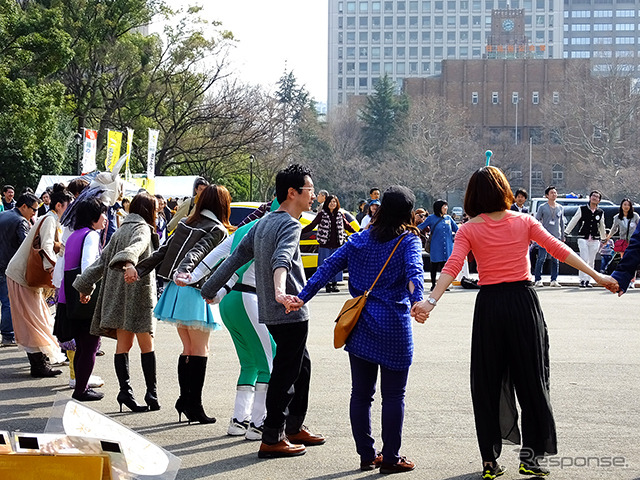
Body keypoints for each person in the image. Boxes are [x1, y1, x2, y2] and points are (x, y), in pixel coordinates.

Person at [411, 167, 616, 479]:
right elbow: (557, 249)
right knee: (532, 379)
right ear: (504, 190)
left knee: (487, 382)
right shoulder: (524, 221)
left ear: (472, 195)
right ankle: (531, 459)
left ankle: (490, 461)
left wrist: (431, 301)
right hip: (522, 304)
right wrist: (598, 275)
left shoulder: (469, 229)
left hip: (490, 307)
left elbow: (454, 265)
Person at [288, 185, 424, 474]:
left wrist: (301, 297)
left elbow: (325, 268)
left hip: (359, 323)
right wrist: (417, 301)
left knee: (361, 394)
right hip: (393, 324)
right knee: (394, 395)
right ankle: (390, 457)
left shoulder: (358, 240)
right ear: (408, 214)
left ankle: (366, 454)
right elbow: (414, 272)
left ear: (381, 209)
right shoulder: (407, 241)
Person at [199, 164, 325, 459]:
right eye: (309, 191)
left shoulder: (262, 223)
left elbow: (234, 259)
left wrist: (208, 288)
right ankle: (273, 437)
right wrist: (281, 292)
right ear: (292, 193)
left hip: (271, 310)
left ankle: (292, 426)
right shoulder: (291, 225)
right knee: (286, 373)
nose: (313, 197)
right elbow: (282, 259)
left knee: (300, 367)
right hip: (288, 310)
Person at [175, 204, 278, 439]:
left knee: (250, 364)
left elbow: (217, 255)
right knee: (269, 361)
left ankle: (239, 420)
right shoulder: (271, 229)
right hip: (248, 298)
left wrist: (194, 275)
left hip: (229, 300)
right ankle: (258, 423)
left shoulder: (244, 229)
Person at [133, 185, 232, 424]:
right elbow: (198, 252)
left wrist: (139, 269)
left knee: (188, 348)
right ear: (222, 205)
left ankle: (185, 400)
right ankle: (193, 405)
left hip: (175, 290)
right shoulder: (217, 229)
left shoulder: (186, 223)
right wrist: (186, 271)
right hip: (194, 289)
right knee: (200, 350)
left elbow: (163, 251)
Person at [73, 192, 160, 413]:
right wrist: (129, 260)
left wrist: (85, 284)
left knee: (124, 345)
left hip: (117, 295)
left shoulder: (120, 229)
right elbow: (138, 246)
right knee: (146, 344)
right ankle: (152, 392)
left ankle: (125, 392)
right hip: (138, 294)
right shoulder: (143, 229)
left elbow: (101, 262)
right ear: (149, 210)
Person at [6, 185, 73, 377]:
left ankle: (40, 362)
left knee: (37, 318)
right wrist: (54, 271)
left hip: (22, 275)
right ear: (59, 205)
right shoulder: (50, 219)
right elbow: (46, 247)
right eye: (68, 207)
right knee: (33, 320)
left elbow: (50, 245)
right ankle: (38, 365)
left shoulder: (49, 219)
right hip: (23, 276)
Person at [56, 198, 108, 401]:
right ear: (93, 217)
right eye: (102, 213)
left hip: (67, 294)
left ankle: (81, 386)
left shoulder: (74, 235)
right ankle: (81, 390)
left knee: (81, 345)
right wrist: (86, 289)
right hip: (83, 294)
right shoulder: (91, 235)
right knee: (90, 345)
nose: (105, 218)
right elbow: (88, 263)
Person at [0, 193, 39, 346]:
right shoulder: (21, 221)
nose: (34, 213)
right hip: (7, 266)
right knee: (8, 302)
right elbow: (26, 245)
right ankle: (8, 335)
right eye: (33, 210)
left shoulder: (3, 215)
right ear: (24, 206)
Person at [302, 195, 356, 293]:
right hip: (325, 244)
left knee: (337, 265)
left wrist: (357, 232)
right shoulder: (322, 214)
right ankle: (327, 284)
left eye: (334, 202)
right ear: (327, 203)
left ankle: (334, 284)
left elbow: (347, 225)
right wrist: (301, 231)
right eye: (330, 202)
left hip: (337, 244)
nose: (332, 204)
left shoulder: (340, 214)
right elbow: (312, 225)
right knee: (325, 265)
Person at [565, 190, 606, 288]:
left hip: (595, 239)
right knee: (584, 259)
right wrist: (566, 232)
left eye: (597, 197)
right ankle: (582, 279)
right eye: (593, 196)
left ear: (599, 200)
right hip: (583, 237)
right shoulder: (582, 209)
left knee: (591, 260)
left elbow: (602, 225)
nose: (594, 198)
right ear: (590, 197)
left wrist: (603, 237)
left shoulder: (600, 212)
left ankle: (588, 280)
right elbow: (574, 220)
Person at [418, 199, 458, 291]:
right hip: (436, 247)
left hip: (447, 247)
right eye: (444, 206)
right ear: (438, 207)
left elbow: (457, 229)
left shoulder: (448, 218)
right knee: (434, 266)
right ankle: (433, 284)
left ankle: (443, 285)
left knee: (446, 267)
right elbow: (420, 227)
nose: (446, 208)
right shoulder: (431, 218)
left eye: (446, 206)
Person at [534, 186, 565, 287]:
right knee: (541, 259)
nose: (554, 194)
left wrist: (562, 236)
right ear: (547, 195)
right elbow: (536, 220)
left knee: (555, 259)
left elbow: (561, 223)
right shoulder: (542, 207)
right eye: (551, 193)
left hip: (556, 236)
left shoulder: (560, 207)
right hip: (544, 236)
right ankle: (538, 279)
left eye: (555, 193)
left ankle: (554, 279)